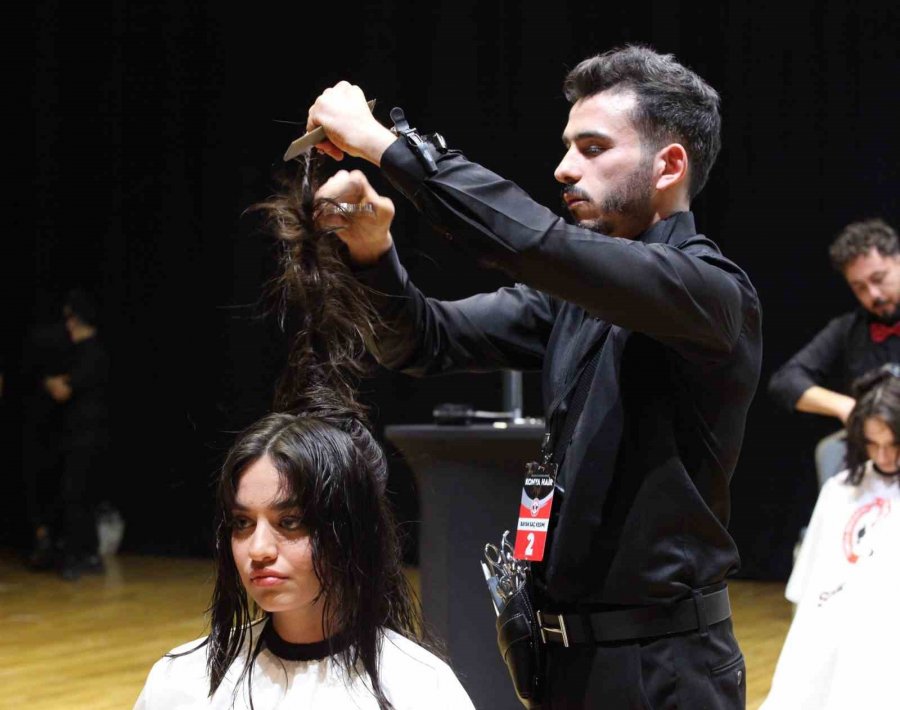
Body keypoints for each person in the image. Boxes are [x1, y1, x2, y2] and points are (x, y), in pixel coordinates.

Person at [304, 44, 762, 708]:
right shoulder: (574, 300)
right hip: (560, 664)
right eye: (567, 146)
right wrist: (373, 251)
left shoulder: (711, 292)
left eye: (593, 147)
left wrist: (388, 146)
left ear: (668, 166)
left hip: (661, 672)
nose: (564, 168)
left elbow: (533, 244)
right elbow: (424, 341)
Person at [761, 365, 900, 709]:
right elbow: (808, 589)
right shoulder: (840, 491)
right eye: (872, 443)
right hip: (837, 619)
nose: (883, 456)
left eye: (894, 444)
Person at [769, 219, 900, 488]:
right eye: (860, 287)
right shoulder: (848, 329)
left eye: (878, 279)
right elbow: (785, 382)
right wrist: (848, 407)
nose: (872, 294)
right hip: (876, 466)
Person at [44, 289, 110, 580]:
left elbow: (62, 390)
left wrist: (48, 381)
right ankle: (86, 554)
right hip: (76, 435)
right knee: (78, 496)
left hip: (87, 436)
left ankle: (79, 556)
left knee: (76, 495)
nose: (67, 324)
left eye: (71, 317)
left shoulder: (92, 352)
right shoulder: (79, 352)